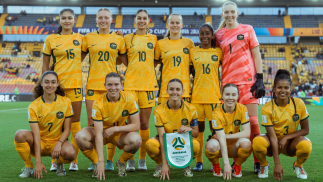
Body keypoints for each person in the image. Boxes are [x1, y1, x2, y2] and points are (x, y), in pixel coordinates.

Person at [214, 1, 266, 173]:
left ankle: (258, 161)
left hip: (248, 83)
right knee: (234, 124)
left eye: (232, 12)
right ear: (222, 14)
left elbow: (257, 55)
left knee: (253, 122)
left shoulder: (248, 29)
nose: (229, 15)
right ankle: (237, 162)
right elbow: (215, 58)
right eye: (226, 12)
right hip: (228, 84)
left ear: (237, 13)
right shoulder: (218, 35)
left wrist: (259, 78)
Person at [81, 8, 126, 172]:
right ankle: (95, 160)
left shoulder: (118, 38)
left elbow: (123, 61)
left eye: (106, 18)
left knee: (112, 122)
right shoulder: (88, 38)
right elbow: (78, 58)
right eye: (100, 18)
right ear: (96, 20)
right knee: (93, 124)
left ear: (111, 20)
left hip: (112, 86)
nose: (103, 20)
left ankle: (108, 160)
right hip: (93, 86)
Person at [75, 72, 142, 179]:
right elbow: (97, 133)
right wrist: (101, 161)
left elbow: (136, 125)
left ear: (121, 85)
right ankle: (96, 163)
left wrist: (115, 128)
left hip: (119, 135)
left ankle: (121, 162)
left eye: (116, 84)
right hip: (101, 134)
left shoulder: (129, 98)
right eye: (109, 85)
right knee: (80, 137)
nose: (113, 88)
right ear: (105, 86)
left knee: (136, 140)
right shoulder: (98, 103)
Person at [14, 71, 76, 178]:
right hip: (39, 143)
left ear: (57, 84)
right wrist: (38, 161)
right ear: (42, 83)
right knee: (19, 134)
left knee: (71, 153)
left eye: (53, 82)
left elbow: (67, 130)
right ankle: (29, 167)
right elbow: (36, 135)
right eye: (46, 82)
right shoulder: (33, 106)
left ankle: (59, 163)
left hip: (57, 142)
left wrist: (59, 143)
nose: (50, 85)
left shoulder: (66, 102)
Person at [42, 8, 83, 172]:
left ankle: (74, 160)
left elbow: (89, 53)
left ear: (75, 20)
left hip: (76, 86)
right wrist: (44, 84)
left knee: (75, 124)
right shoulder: (50, 39)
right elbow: (45, 65)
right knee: (57, 125)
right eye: (64, 18)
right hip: (56, 87)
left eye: (70, 18)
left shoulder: (81, 39)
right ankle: (55, 160)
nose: (67, 20)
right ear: (59, 20)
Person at [253, 69, 311, 180]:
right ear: (274, 89)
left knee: (306, 146)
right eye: (279, 87)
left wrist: (286, 138)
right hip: (272, 142)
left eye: (286, 88)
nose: (283, 90)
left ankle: (298, 165)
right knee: (257, 142)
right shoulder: (267, 108)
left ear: (290, 89)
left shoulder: (299, 104)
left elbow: (305, 130)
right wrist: (277, 163)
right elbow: (273, 137)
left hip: (290, 144)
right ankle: (264, 165)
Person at [120, 9, 158, 171]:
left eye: (144, 18)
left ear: (148, 20)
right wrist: (134, 68)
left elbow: (156, 60)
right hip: (130, 86)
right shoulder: (127, 38)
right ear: (135, 20)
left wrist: (146, 70)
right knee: (131, 123)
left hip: (148, 86)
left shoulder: (154, 38)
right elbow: (122, 57)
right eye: (139, 18)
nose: (142, 21)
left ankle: (142, 160)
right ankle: (130, 159)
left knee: (143, 123)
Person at [145, 79, 200, 179]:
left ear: (183, 91)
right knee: (150, 145)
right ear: (167, 91)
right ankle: (160, 164)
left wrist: (189, 129)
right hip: (165, 141)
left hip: (182, 141)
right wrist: (165, 164)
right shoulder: (159, 110)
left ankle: (186, 163)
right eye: (171, 89)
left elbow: (196, 133)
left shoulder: (192, 109)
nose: (174, 92)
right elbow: (162, 137)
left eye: (178, 89)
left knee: (196, 146)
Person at [189, 23, 223, 171]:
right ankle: (199, 161)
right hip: (196, 97)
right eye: (201, 33)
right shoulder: (192, 52)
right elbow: (190, 71)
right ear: (199, 35)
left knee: (215, 130)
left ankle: (214, 161)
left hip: (214, 97)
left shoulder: (218, 52)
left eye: (207, 33)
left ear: (211, 35)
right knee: (198, 130)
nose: (204, 36)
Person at [205, 83, 252, 179]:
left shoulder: (242, 109)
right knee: (211, 146)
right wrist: (226, 164)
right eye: (227, 94)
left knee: (247, 144)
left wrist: (225, 136)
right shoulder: (216, 113)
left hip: (234, 146)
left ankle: (237, 165)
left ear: (238, 96)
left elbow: (247, 133)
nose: (230, 98)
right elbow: (221, 140)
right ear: (222, 95)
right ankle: (216, 165)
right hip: (219, 147)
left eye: (233, 95)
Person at [154, 13, 195, 105]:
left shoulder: (189, 43)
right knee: (164, 119)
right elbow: (153, 63)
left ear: (182, 25)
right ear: (168, 24)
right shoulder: (160, 44)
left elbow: (193, 66)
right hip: (165, 90)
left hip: (184, 90)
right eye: (172, 22)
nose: (175, 25)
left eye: (177, 22)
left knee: (184, 119)